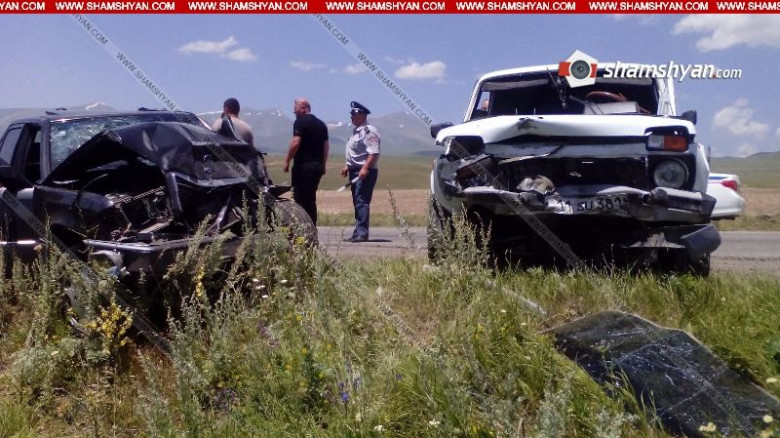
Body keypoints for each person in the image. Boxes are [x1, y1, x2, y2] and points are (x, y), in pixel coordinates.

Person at [283, 98, 329, 225]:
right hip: (317, 166)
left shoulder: (300, 122)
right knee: (310, 198)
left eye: (296, 109)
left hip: (303, 166)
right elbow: (326, 146)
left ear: (303, 108)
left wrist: (287, 160)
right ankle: (312, 225)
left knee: (299, 198)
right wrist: (323, 163)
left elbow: (296, 142)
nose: (294, 112)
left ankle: (302, 227)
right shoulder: (321, 124)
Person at [340, 101, 380, 243]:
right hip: (355, 171)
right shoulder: (357, 131)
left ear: (362, 115)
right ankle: (357, 232)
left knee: (362, 201)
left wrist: (364, 168)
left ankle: (362, 233)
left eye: (354, 113)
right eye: (351, 113)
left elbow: (373, 152)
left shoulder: (369, 131)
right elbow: (357, 153)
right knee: (357, 201)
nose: (351, 116)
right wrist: (348, 166)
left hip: (365, 172)